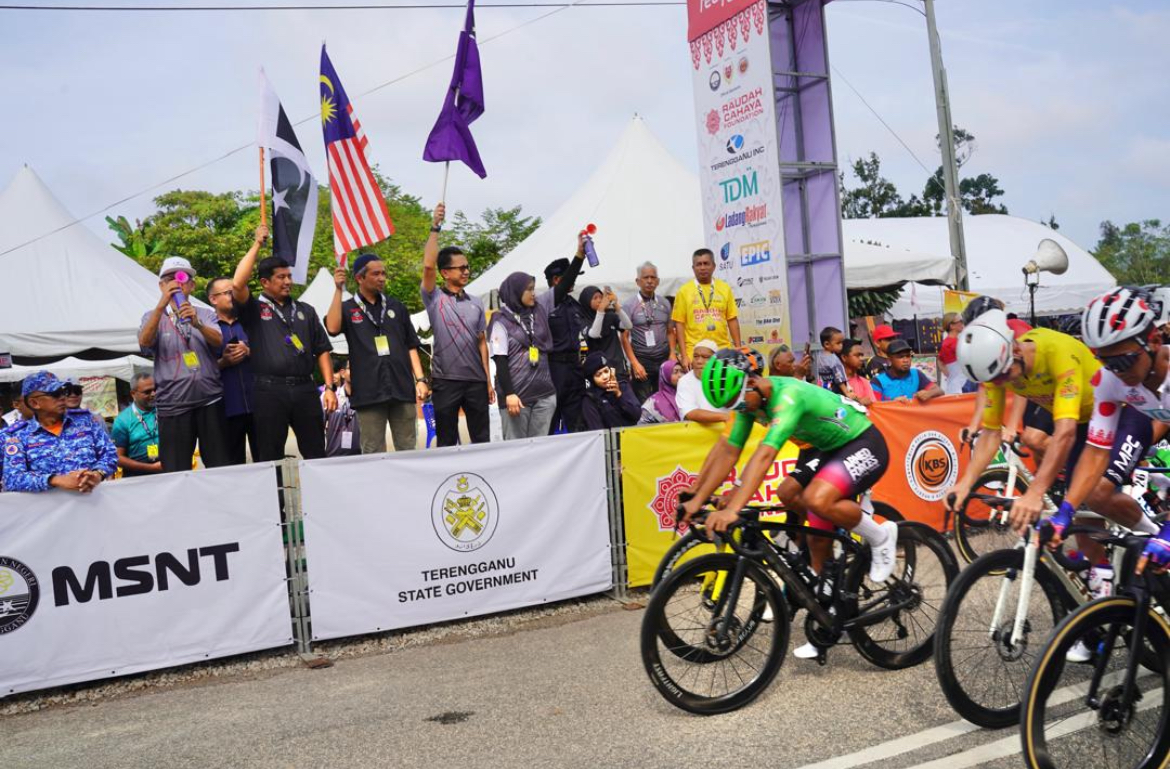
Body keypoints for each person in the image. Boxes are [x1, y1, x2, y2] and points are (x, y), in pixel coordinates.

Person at [679, 348, 898, 658]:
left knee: (816, 499)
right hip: (825, 447)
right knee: (806, 517)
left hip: (862, 441)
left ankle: (880, 535)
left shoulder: (787, 397)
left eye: (739, 401)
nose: (738, 409)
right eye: (731, 406)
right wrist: (698, 496)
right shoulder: (749, 405)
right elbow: (728, 450)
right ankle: (823, 597)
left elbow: (764, 457)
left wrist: (732, 509)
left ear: (753, 382)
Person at [945, 309, 1149, 607]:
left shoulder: (1056, 352)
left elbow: (1063, 432)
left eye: (1004, 375)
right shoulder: (996, 369)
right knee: (1081, 515)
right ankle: (1103, 598)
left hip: (1123, 414)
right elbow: (990, 433)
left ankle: (1155, 535)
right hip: (1085, 424)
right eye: (993, 379)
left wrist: (1036, 492)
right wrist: (964, 483)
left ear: (1014, 348)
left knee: (1096, 492)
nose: (1001, 383)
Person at [1026, 288, 1169, 595]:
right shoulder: (1108, 382)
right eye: (1105, 361)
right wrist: (1067, 510)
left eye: (1125, 360)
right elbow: (1095, 452)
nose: (1117, 371)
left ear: (1155, 341)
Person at [232, 225, 336, 461]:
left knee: (316, 451)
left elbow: (322, 350)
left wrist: (329, 387)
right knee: (270, 454)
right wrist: (257, 244)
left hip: (305, 389)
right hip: (269, 390)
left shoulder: (305, 310)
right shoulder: (254, 309)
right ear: (265, 282)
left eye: (289, 276)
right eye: (281, 277)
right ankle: (275, 498)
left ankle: (319, 496)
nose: (288, 281)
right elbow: (237, 284)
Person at [326, 254, 427, 454]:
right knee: (372, 450)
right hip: (368, 391)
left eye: (383, 273)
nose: (382, 278)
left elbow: (411, 345)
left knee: (408, 447)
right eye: (376, 274)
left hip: (401, 387)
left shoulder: (396, 307)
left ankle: (408, 485)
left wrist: (421, 379)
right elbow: (332, 327)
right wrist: (338, 290)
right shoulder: (347, 308)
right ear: (360, 278)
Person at [139, 257, 230, 472]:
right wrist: (162, 305)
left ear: (192, 284)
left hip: (210, 400)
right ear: (161, 286)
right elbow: (144, 342)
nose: (176, 283)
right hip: (173, 405)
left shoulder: (206, 313)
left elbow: (219, 342)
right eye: (169, 279)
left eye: (182, 277)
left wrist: (196, 323)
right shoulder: (151, 316)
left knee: (221, 465)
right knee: (176, 470)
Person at [421, 204, 494, 446]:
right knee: (447, 440)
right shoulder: (434, 298)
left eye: (467, 267)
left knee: (481, 439)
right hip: (446, 380)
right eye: (460, 268)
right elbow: (428, 266)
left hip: (476, 381)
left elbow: (482, 342)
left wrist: (488, 381)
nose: (466, 271)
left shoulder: (475, 302)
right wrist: (435, 227)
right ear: (445, 273)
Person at [2, 372, 118, 493]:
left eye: (63, 392)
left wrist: (98, 474)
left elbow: (110, 454)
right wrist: (55, 480)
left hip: (93, 503)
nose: (63, 397)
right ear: (34, 403)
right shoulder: (18, 435)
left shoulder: (86, 421)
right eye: (55, 394)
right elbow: (12, 479)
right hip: (51, 510)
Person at [489, 272, 558, 440]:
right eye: (529, 290)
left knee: (540, 449)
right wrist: (509, 394)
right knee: (516, 451)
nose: (533, 293)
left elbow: (561, 289)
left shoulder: (537, 312)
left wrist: (579, 255)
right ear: (515, 292)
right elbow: (500, 360)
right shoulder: (500, 321)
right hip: (517, 399)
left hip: (544, 395)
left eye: (533, 289)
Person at [208, 276, 258, 465]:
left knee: (268, 461)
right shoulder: (207, 328)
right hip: (226, 408)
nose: (233, 296)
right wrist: (223, 362)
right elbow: (200, 368)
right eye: (228, 293)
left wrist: (249, 351)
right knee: (233, 465)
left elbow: (271, 354)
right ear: (213, 299)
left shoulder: (252, 321)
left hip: (259, 405)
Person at [542, 238, 589, 434]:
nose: (574, 280)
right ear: (556, 280)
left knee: (578, 419)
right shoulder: (546, 302)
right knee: (551, 419)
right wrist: (579, 255)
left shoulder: (573, 304)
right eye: (571, 277)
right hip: (555, 368)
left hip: (574, 367)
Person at [671, 249, 741, 371]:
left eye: (706, 263)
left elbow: (732, 319)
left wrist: (738, 348)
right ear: (693, 268)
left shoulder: (725, 288)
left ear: (713, 266)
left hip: (722, 351)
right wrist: (684, 355)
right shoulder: (683, 291)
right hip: (696, 353)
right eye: (699, 264)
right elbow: (679, 324)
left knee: (722, 388)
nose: (702, 268)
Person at [623, 262, 676, 403]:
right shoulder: (629, 305)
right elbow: (624, 337)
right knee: (644, 402)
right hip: (642, 360)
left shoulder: (665, 303)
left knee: (666, 399)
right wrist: (634, 363)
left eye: (653, 277)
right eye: (646, 277)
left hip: (663, 358)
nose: (650, 281)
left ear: (658, 281)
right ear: (638, 281)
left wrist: (672, 353)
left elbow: (670, 331)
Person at [111, 373, 163, 478]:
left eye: (155, 389)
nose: (153, 394)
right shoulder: (123, 420)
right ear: (133, 394)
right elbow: (117, 457)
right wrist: (151, 468)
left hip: (167, 473)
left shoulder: (166, 410)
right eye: (147, 392)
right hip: (137, 478)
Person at [580, 286, 632, 381]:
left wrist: (616, 304)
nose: (599, 300)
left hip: (618, 367)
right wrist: (601, 310)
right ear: (586, 302)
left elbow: (628, 325)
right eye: (595, 298)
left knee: (624, 393)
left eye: (601, 297)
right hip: (600, 372)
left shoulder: (610, 316)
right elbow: (594, 334)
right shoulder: (583, 319)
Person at [580, 352, 640, 430]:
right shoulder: (590, 399)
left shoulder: (623, 386)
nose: (605, 377)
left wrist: (619, 394)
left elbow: (636, 415)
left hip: (630, 438)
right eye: (598, 375)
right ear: (592, 379)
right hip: (608, 440)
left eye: (606, 371)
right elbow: (597, 431)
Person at [674, 340, 730, 424]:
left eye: (705, 357)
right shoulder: (685, 381)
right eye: (696, 356)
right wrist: (725, 417)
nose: (699, 361)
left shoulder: (726, 377)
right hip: (699, 434)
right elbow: (690, 412)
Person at [872, 340, 943, 403]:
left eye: (908, 356)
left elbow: (939, 391)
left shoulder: (916, 374)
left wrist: (929, 393)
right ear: (889, 360)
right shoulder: (878, 381)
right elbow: (874, 406)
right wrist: (893, 403)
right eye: (900, 357)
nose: (906, 360)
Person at [322, 360, 362, 457]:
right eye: (351, 368)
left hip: (361, 457)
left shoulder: (368, 398)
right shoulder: (330, 397)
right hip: (333, 457)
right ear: (343, 373)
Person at [638, 359, 682, 425]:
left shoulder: (687, 396)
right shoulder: (653, 402)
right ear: (665, 376)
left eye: (682, 371)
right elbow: (641, 427)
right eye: (675, 372)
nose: (680, 375)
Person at [814, 326, 854, 398]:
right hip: (836, 392)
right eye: (838, 343)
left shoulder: (820, 356)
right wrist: (847, 393)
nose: (841, 346)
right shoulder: (834, 360)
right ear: (827, 344)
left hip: (825, 390)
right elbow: (839, 379)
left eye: (842, 343)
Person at [937, 313, 970, 395]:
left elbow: (939, 360)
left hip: (956, 384)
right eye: (961, 321)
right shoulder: (952, 343)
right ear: (952, 326)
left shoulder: (948, 342)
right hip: (960, 386)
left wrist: (947, 372)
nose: (963, 323)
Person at [840, 339, 876, 406]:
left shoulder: (865, 382)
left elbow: (873, 406)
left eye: (862, 355)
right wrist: (859, 402)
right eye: (857, 355)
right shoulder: (834, 382)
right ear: (844, 357)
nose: (861, 358)